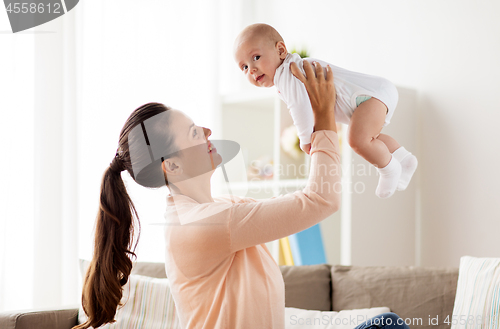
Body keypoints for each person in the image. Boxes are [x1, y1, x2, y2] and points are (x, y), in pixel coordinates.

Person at [75, 61, 409, 329]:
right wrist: (324, 121)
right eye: (193, 132)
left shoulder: (223, 211)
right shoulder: (203, 225)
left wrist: (309, 124)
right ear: (172, 166)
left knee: (384, 324)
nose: (207, 131)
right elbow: (322, 201)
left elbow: (307, 199)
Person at [234, 23, 418, 199]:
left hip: (369, 95)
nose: (252, 69)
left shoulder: (288, 73)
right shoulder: (286, 74)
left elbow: (299, 107)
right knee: (371, 139)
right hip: (373, 95)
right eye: (244, 67)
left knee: (356, 140)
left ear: (281, 50)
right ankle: (404, 159)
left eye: (256, 57)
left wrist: (305, 139)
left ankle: (388, 168)